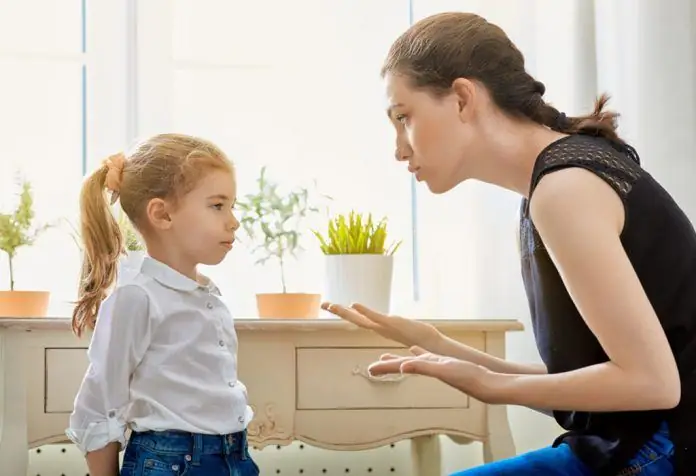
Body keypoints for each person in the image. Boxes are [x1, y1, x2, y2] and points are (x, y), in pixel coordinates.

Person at [322, 11, 696, 476]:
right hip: (641, 441)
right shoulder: (551, 185)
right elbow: (605, 391)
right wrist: (442, 346)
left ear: (462, 98)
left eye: (404, 117)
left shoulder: (565, 189)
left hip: (662, 449)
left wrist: (494, 386)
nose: (399, 148)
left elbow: (653, 385)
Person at [66, 133, 259, 476]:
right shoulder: (136, 297)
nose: (233, 221)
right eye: (218, 205)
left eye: (232, 206)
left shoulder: (207, 299)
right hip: (172, 463)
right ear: (162, 214)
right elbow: (98, 405)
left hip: (233, 457)